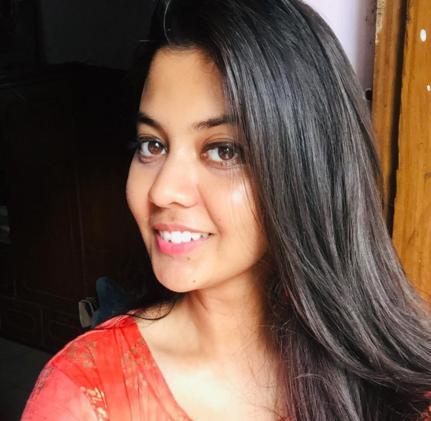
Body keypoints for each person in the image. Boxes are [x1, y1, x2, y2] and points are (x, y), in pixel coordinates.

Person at [22, 0, 431, 420]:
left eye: (223, 150)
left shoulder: (404, 386)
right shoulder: (85, 395)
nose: (163, 190)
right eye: (152, 145)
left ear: (308, 170)